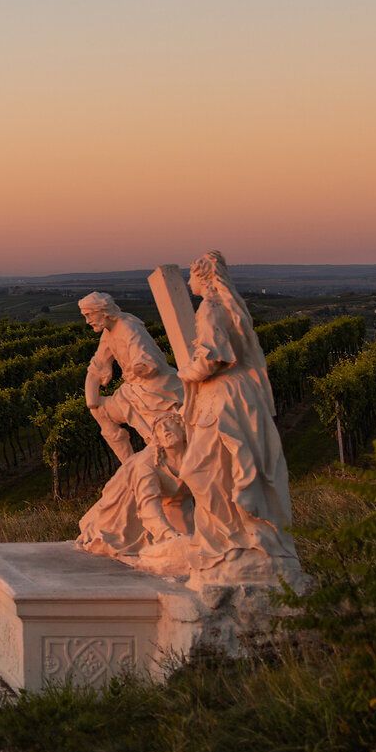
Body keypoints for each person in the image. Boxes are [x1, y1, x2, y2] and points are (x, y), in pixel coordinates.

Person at [169, 251, 302, 587]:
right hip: (238, 395)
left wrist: (186, 372)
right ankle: (236, 538)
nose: (188, 283)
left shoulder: (210, 308)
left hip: (223, 397)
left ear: (203, 277)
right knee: (226, 468)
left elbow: (212, 358)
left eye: (191, 277)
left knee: (201, 470)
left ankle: (232, 541)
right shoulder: (231, 305)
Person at [79, 291, 184, 462]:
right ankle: (129, 464)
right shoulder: (109, 332)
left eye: (89, 315)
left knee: (163, 438)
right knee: (100, 410)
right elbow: (98, 363)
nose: (87, 321)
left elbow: (148, 361)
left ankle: (161, 461)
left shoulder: (128, 327)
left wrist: (139, 367)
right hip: (133, 390)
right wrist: (91, 397)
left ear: (102, 310)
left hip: (153, 389)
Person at [78, 410, 192, 564]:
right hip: (127, 501)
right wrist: (167, 533)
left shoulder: (196, 457)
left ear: (183, 428)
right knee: (126, 540)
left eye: (169, 424)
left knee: (196, 543)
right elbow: (148, 505)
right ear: (157, 439)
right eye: (159, 428)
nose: (165, 430)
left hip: (175, 504)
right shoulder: (147, 465)